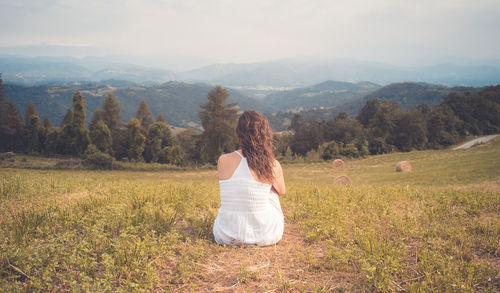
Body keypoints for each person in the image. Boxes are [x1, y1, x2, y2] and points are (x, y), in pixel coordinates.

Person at [213, 110, 285, 246]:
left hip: (224, 236)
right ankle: (256, 226)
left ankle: (237, 225)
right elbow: (281, 191)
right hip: (265, 236)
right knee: (272, 191)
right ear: (264, 134)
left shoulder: (223, 160)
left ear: (238, 133)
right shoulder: (272, 164)